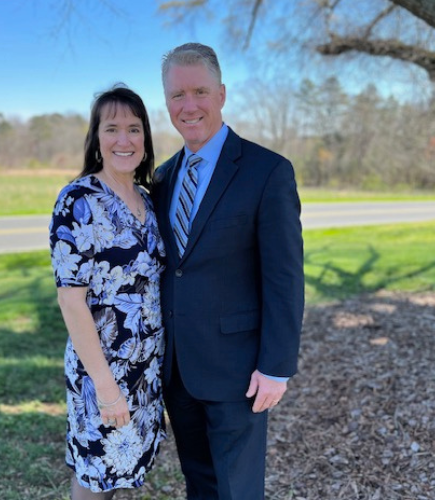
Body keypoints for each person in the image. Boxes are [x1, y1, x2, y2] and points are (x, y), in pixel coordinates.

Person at [152, 43, 305, 500]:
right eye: (178, 95)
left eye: (200, 91)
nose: (189, 105)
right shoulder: (162, 177)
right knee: (199, 483)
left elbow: (284, 277)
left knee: (238, 490)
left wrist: (276, 367)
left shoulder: (267, 171)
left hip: (239, 372)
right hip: (178, 369)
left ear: (221, 93)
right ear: (166, 102)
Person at [49, 85, 166, 500]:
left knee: (121, 469)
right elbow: (70, 300)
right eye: (112, 128)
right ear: (96, 138)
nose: (124, 140)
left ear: (145, 139)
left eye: (134, 129)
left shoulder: (149, 201)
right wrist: (105, 387)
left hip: (145, 372)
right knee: (96, 475)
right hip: (103, 372)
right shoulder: (78, 201)